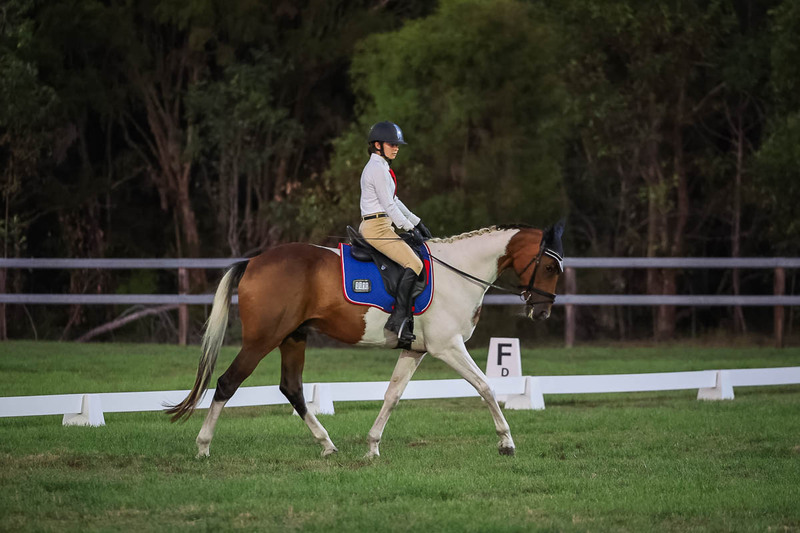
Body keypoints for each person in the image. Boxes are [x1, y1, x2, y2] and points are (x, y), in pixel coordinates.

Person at [359, 121, 433, 346]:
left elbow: (395, 200)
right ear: (378, 145)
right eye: (392, 144)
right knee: (415, 264)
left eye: (397, 144)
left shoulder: (381, 167)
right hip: (377, 228)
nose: (397, 147)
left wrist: (417, 222)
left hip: (383, 225)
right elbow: (389, 207)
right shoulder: (377, 169)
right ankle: (398, 320)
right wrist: (409, 228)